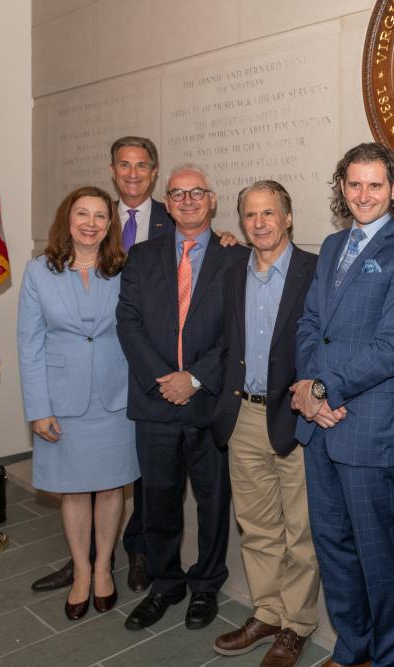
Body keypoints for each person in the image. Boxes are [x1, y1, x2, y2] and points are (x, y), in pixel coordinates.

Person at [291, 142, 394, 667]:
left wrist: (323, 389)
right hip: (318, 424)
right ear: (341, 189)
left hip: (365, 428)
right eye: (354, 184)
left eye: (376, 185)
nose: (364, 194)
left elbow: (391, 348)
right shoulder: (331, 247)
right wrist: (309, 390)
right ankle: (353, 650)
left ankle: (389, 660)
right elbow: (309, 325)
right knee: (332, 547)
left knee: (378, 558)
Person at [117, 164, 249, 631]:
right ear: (166, 202)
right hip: (154, 403)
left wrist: (193, 377)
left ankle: (207, 584)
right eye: (177, 194)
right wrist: (161, 378)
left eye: (197, 193)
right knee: (158, 501)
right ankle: (165, 584)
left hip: (209, 402)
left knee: (214, 501)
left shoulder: (238, 259)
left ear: (212, 200)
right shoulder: (141, 257)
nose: (188, 200)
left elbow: (240, 333)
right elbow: (128, 323)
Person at [210, 180, 320, 667]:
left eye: (269, 213)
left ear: (288, 217)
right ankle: (268, 612)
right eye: (251, 215)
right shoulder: (233, 274)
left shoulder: (314, 272)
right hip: (242, 417)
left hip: (293, 418)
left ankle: (297, 625)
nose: (260, 223)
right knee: (256, 527)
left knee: (300, 531)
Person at [18, 186, 139, 621]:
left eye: (100, 216)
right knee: (72, 490)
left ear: (111, 225)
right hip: (61, 399)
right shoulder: (39, 272)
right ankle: (82, 573)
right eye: (82, 214)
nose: (90, 223)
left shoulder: (124, 269)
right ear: (66, 220)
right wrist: (38, 408)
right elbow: (29, 344)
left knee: (110, 487)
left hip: (115, 397)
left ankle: (105, 565)